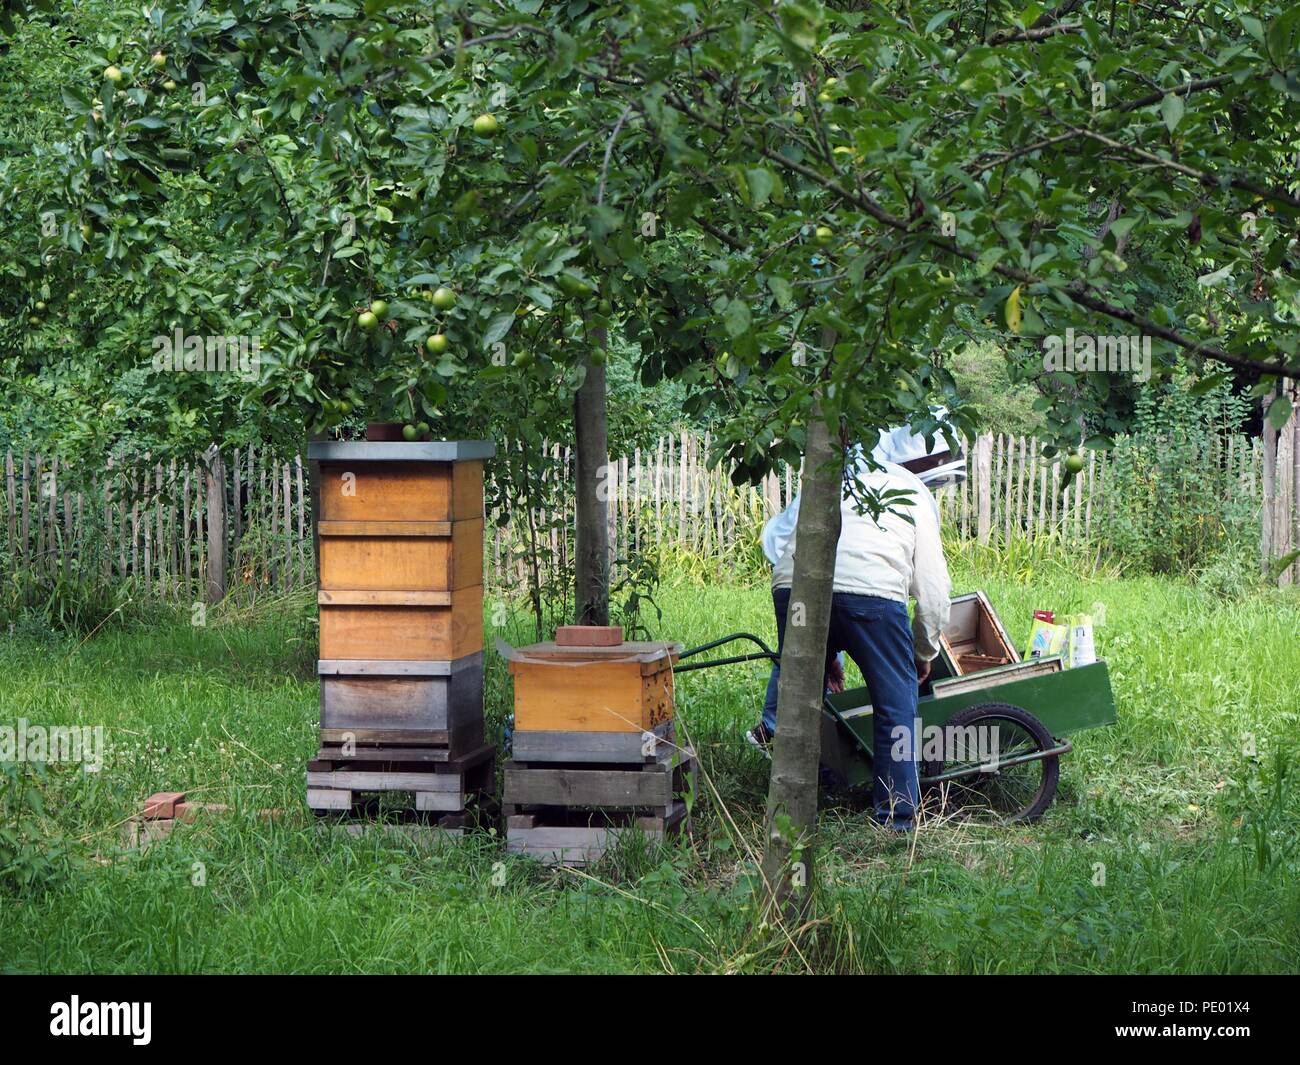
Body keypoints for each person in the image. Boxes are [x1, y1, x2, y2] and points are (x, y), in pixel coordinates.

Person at [747, 420, 957, 831]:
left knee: (800, 696)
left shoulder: (838, 473)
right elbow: (933, 589)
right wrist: (923, 653)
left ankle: (793, 803)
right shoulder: (913, 492)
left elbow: (788, 540)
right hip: (873, 593)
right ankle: (896, 819)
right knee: (897, 705)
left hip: (794, 585)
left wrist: (824, 652)